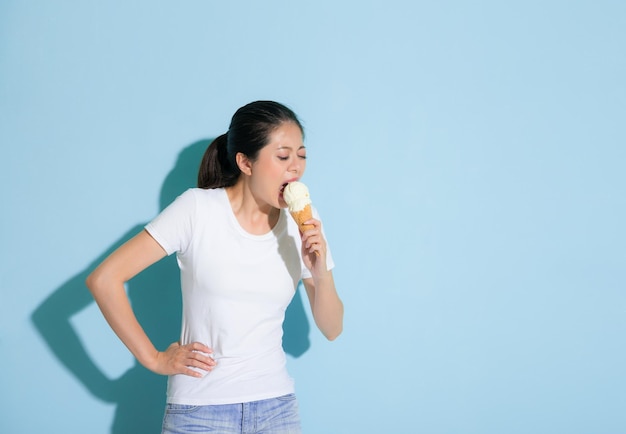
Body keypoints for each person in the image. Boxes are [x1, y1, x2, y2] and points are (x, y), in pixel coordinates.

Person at [86, 100, 344, 434]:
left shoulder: (303, 222)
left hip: (276, 408)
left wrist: (320, 272)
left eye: (302, 155)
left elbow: (332, 328)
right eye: (283, 157)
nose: (295, 168)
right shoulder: (197, 210)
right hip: (199, 412)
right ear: (245, 162)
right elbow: (104, 279)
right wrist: (154, 358)